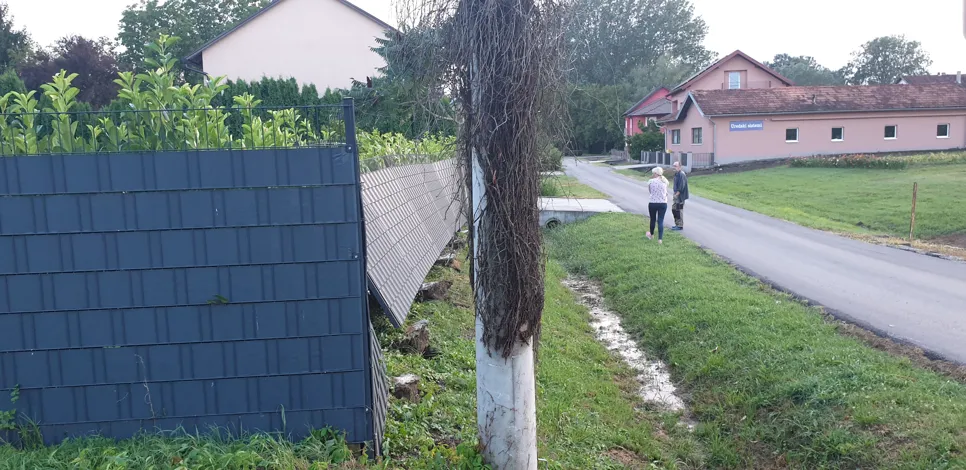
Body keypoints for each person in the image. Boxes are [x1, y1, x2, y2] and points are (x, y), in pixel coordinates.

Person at [646, 166, 669, 244]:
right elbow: (666, 192)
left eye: (653, 173)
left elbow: (650, 192)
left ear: (655, 173)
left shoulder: (650, 181)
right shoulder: (665, 181)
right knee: (660, 220)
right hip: (663, 203)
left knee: (652, 219)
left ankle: (651, 235)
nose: (652, 174)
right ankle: (660, 239)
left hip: (653, 202)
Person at [671, 161, 689, 231]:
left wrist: (676, 195)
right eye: (674, 165)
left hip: (680, 197)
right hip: (676, 195)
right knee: (674, 209)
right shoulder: (677, 174)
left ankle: (680, 225)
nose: (674, 167)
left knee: (679, 210)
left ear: (679, 166)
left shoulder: (682, 174)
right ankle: (677, 224)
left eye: (675, 166)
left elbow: (681, 186)